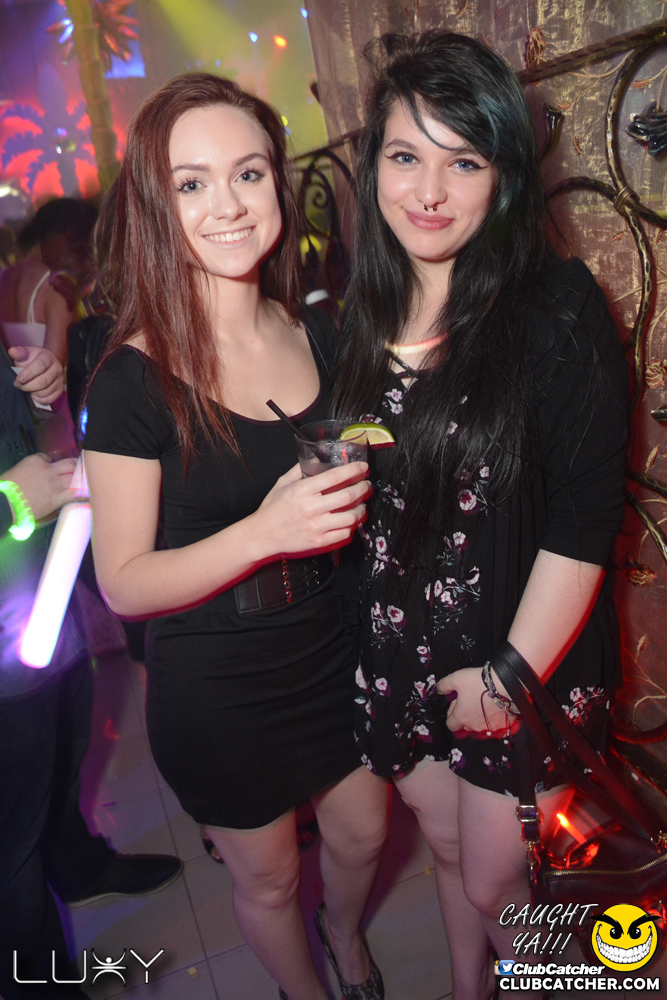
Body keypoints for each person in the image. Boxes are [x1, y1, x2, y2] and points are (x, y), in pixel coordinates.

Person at [334, 30, 628, 1000]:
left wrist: (507, 674)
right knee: (454, 856)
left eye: (462, 161)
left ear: (502, 175)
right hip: (402, 655)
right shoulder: (357, 317)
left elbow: (584, 516)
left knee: (505, 889)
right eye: (405, 155)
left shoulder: (555, 306)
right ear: (373, 164)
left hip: (518, 657)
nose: (428, 190)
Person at [83, 73, 389, 1000]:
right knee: (268, 878)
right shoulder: (130, 381)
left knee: (363, 834)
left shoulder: (312, 327)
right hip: (220, 677)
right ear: (155, 206)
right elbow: (123, 582)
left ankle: (346, 936)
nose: (228, 204)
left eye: (248, 173)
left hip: (334, 639)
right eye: (192, 183)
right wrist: (264, 532)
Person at [0, 343, 183, 1000]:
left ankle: (77, 865)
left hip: (36, 602)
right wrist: (9, 500)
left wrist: (34, 394)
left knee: (60, 758)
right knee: (11, 854)